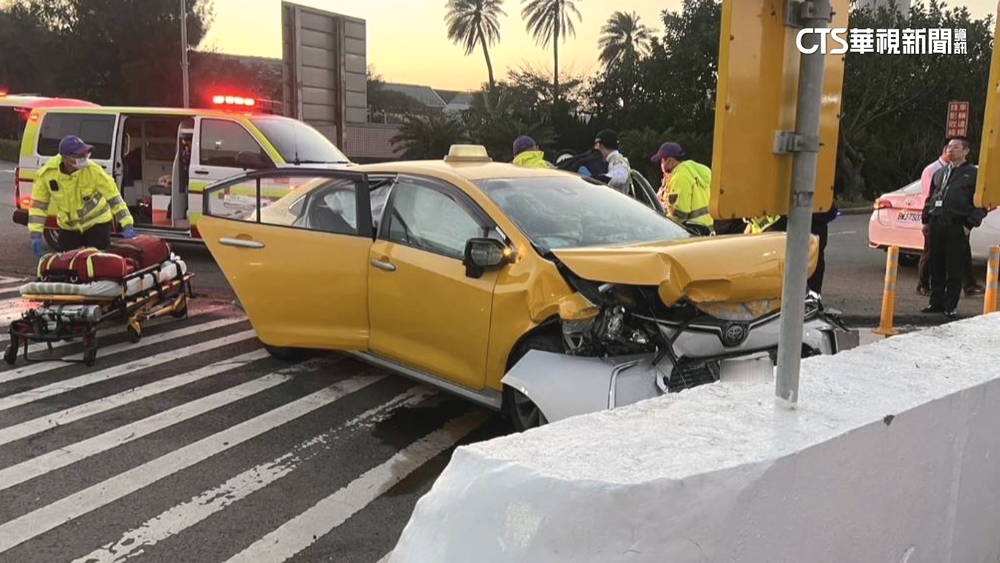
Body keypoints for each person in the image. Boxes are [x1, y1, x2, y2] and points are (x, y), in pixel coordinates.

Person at [28, 135, 136, 257]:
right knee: (67, 263)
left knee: (97, 262)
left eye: (85, 154)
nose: (84, 158)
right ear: (65, 157)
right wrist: (35, 234)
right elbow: (38, 206)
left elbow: (115, 199)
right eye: (79, 156)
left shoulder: (94, 171)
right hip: (69, 226)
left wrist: (127, 224)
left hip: (97, 224)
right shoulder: (47, 175)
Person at [920, 136, 987, 318]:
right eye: (949, 147)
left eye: (956, 147)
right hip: (937, 224)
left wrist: (969, 224)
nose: (951, 150)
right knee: (936, 265)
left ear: (966, 151)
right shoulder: (940, 173)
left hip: (956, 225)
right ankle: (935, 302)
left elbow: (982, 205)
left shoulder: (973, 174)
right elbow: (930, 198)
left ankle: (950, 305)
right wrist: (926, 220)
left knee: (954, 268)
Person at [650, 141, 715, 232]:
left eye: (662, 161)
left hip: (691, 233)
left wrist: (661, 226)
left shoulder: (679, 178)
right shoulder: (698, 171)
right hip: (707, 230)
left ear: (670, 161)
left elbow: (680, 214)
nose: (661, 165)